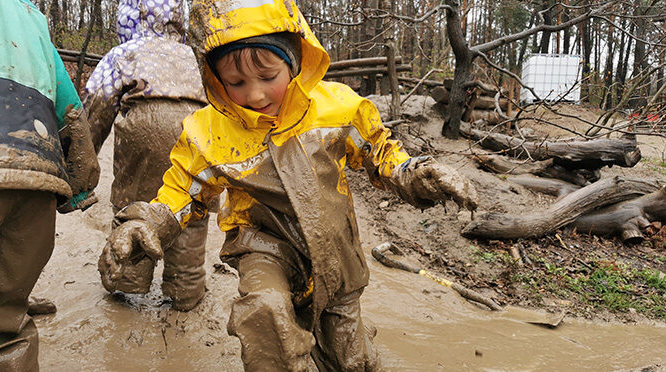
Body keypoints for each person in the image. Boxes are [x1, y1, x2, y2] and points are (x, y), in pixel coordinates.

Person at [98, 0, 478, 370]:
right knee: (264, 311)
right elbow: (181, 193)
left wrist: (415, 174)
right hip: (264, 247)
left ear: (295, 59)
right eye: (235, 82)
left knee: (350, 359)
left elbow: (381, 153)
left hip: (336, 254)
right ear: (214, 79)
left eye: (268, 77)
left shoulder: (337, 108)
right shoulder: (208, 133)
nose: (255, 94)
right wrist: (147, 223)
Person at [84, 0, 210, 311]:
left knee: (133, 209)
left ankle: (126, 281)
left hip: (144, 133)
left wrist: (84, 159)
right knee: (191, 214)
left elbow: (98, 104)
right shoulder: (194, 56)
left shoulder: (123, 53)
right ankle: (186, 287)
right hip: (195, 135)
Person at [0, 0, 100, 371]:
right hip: (36, 175)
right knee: (7, 320)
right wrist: (81, 187)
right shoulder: (32, 17)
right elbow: (69, 105)